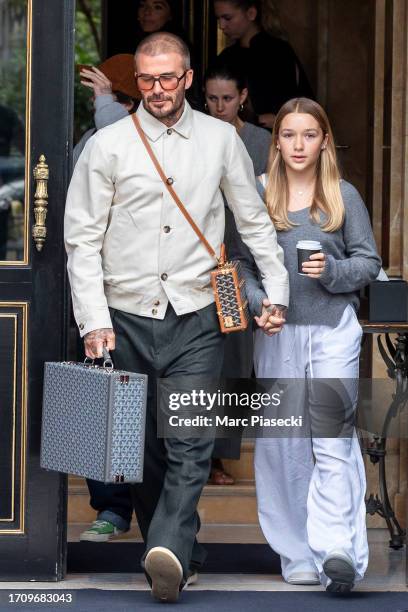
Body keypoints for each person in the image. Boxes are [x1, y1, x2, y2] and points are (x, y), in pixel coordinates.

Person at [64, 32, 289, 603]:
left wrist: (277, 287)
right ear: (134, 82)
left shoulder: (220, 141)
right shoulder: (106, 145)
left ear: (188, 78)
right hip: (124, 312)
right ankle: (183, 552)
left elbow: (254, 220)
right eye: (146, 80)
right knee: (138, 448)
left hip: (197, 312)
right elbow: (81, 240)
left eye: (168, 78)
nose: (158, 89)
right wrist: (92, 320)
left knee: (189, 438)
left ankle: (161, 547)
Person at [234, 97, 381, 593]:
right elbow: (241, 266)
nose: (299, 144)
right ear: (276, 141)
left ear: (323, 141)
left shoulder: (342, 195)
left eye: (309, 135)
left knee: (332, 438)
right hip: (277, 334)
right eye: (289, 134)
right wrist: (259, 306)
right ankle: (296, 552)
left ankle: (337, 549)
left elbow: (368, 263)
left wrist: (334, 272)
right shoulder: (256, 195)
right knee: (282, 445)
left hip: (333, 329)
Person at [73, 54, 140, 543]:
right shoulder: (94, 139)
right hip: (102, 291)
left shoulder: (166, 137)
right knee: (101, 400)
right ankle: (112, 507)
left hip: (156, 293)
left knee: (153, 411)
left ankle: (165, 525)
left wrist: (105, 105)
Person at [204, 63, 271, 484]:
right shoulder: (197, 135)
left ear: (243, 96)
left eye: (227, 98)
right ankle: (196, 455)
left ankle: (221, 453)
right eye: (211, 99)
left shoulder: (261, 142)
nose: (219, 106)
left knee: (234, 359)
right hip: (197, 262)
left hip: (238, 266)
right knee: (198, 360)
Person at [214, 0, 314, 128]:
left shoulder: (279, 52)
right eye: (218, 18)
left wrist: (281, 120)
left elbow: (304, 104)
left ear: (251, 13)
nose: (221, 25)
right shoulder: (225, 57)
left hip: (275, 139)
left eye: (227, 18)